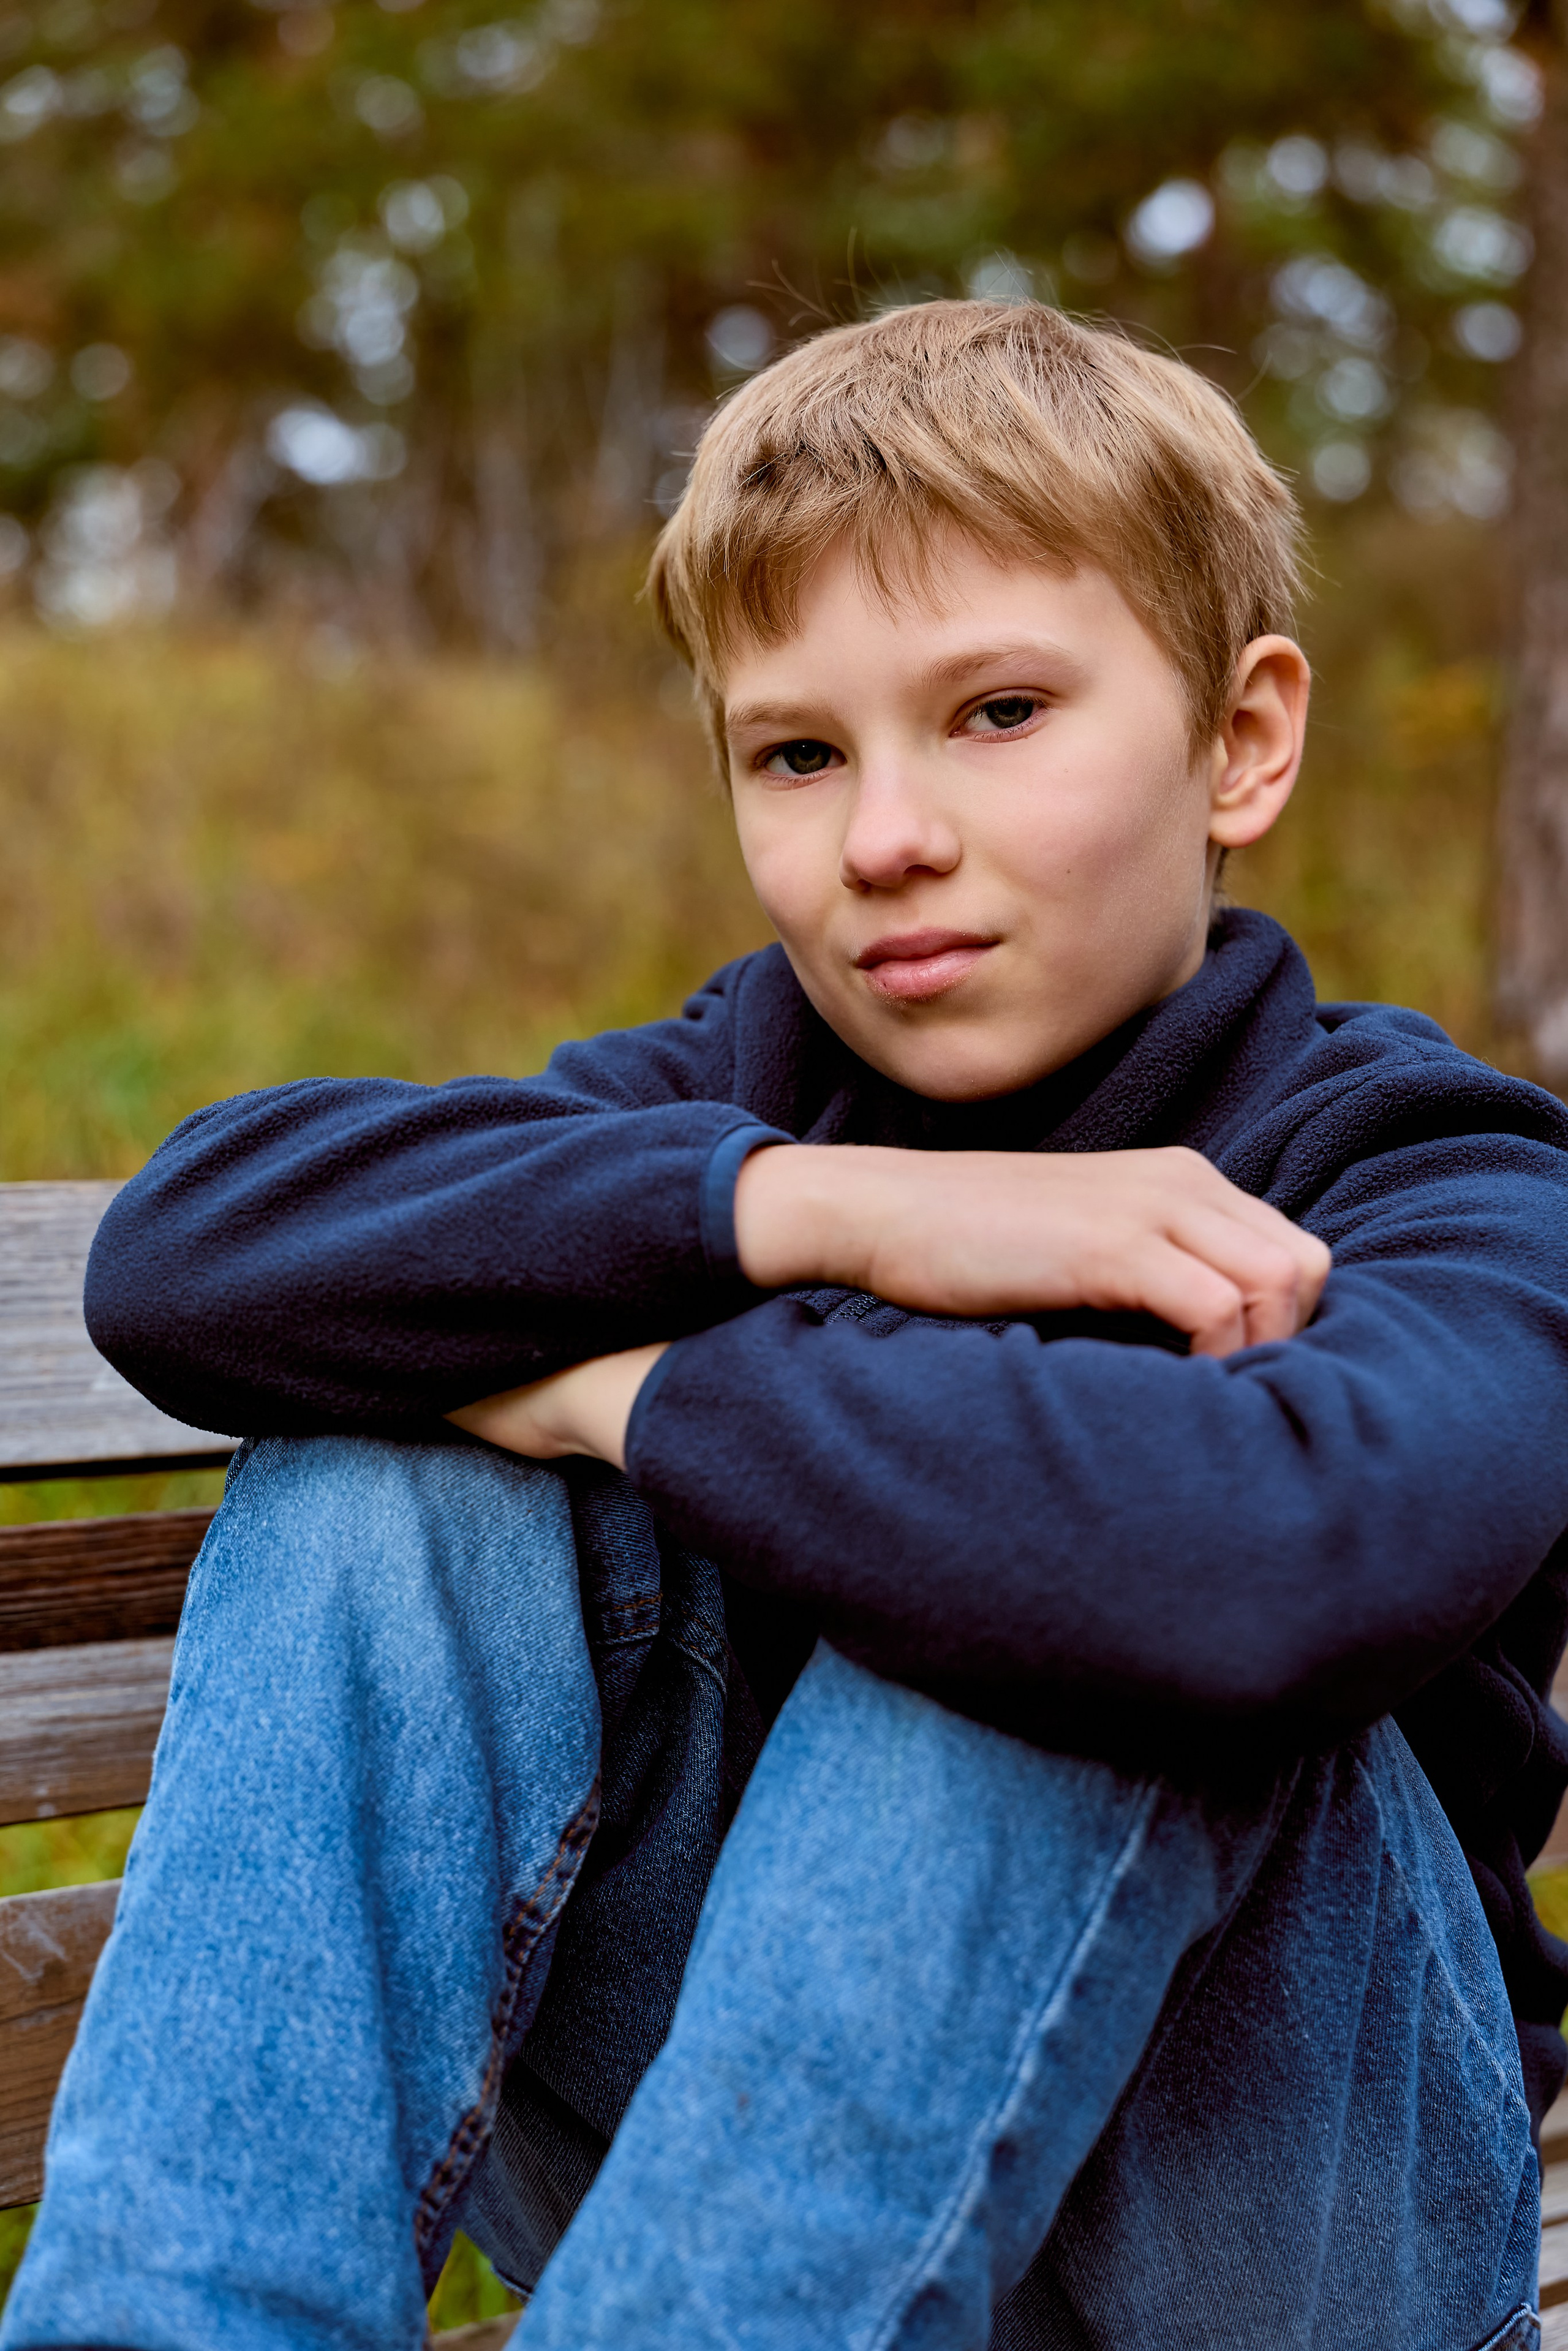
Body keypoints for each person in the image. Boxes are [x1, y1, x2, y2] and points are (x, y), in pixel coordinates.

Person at [6, 300, 1567, 2351]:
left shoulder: (1439, 1168)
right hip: (714, 2180)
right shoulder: (726, 1099)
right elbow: (190, 1247)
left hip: (1289, 2240)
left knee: (1085, 1555)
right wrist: (836, 1208)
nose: (884, 836)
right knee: (390, 1456)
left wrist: (630, 1390)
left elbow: (1250, 1568)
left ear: (1243, 738)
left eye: (999, 711)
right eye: (798, 751)